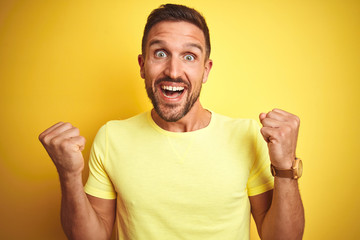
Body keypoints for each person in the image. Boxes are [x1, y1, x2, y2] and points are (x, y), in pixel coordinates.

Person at [39, 4, 304, 240]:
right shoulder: (112, 137)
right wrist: (69, 175)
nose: (173, 72)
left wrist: (284, 168)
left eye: (189, 56)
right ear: (143, 65)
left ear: (206, 69)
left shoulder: (246, 135)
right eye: (160, 53)